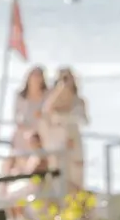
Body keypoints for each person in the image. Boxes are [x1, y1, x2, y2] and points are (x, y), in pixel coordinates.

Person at [39, 67, 90, 196]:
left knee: (77, 178)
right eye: (63, 78)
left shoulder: (79, 101)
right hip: (59, 144)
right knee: (60, 179)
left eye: (68, 78)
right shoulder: (52, 101)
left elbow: (84, 120)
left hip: (74, 142)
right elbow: (46, 114)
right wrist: (60, 90)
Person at [11, 66, 49, 148]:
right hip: (24, 130)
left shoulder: (47, 95)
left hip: (41, 133)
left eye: (39, 76)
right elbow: (16, 115)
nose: (36, 79)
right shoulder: (21, 96)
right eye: (34, 76)